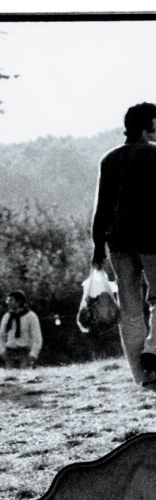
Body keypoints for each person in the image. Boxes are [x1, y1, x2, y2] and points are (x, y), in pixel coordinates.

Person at [91, 102, 156, 387]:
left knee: (129, 311)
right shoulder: (154, 155)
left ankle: (141, 378)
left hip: (118, 243)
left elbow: (101, 208)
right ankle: (153, 350)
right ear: (148, 126)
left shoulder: (109, 159)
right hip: (153, 239)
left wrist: (97, 250)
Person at [0, 290, 42, 369]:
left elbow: (37, 337)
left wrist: (33, 353)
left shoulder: (30, 316)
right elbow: (1, 335)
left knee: (24, 378)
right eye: (8, 300)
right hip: (10, 353)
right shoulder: (7, 316)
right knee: (10, 379)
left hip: (25, 353)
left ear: (18, 301)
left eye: (11, 300)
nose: (8, 302)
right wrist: (2, 350)